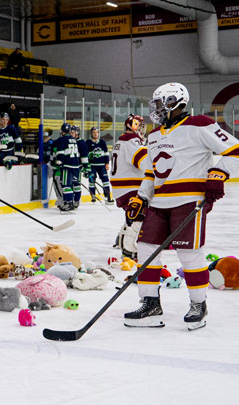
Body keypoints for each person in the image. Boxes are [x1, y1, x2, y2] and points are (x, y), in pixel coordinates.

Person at [124, 83, 239, 330]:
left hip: (189, 201)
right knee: (145, 249)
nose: (155, 108)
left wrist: (219, 172)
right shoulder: (153, 135)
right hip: (159, 202)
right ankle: (150, 304)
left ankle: (199, 304)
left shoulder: (199, 124)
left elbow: (235, 150)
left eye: (159, 103)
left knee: (189, 254)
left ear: (176, 102)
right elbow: (151, 173)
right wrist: (141, 197)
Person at [110, 114, 147, 260]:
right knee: (139, 215)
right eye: (140, 126)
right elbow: (144, 163)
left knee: (133, 214)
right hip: (130, 187)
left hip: (122, 187)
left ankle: (121, 240)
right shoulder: (132, 141)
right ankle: (129, 249)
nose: (143, 130)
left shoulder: (122, 141)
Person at [51, 122, 80, 213]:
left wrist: (58, 162)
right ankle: (72, 202)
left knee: (66, 185)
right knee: (71, 185)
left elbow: (61, 153)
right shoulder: (73, 139)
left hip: (67, 166)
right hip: (75, 165)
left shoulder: (62, 140)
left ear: (62, 131)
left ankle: (68, 203)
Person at [86, 127, 113, 204]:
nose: (95, 133)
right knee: (91, 181)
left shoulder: (102, 142)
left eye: (96, 132)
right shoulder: (87, 142)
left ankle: (107, 197)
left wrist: (107, 163)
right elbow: (85, 154)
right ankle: (93, 197)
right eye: (93, 132)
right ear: (91, 133)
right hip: (92, 166)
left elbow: (106, 153)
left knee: (106, 182)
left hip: (101, 166)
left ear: (98, 133)